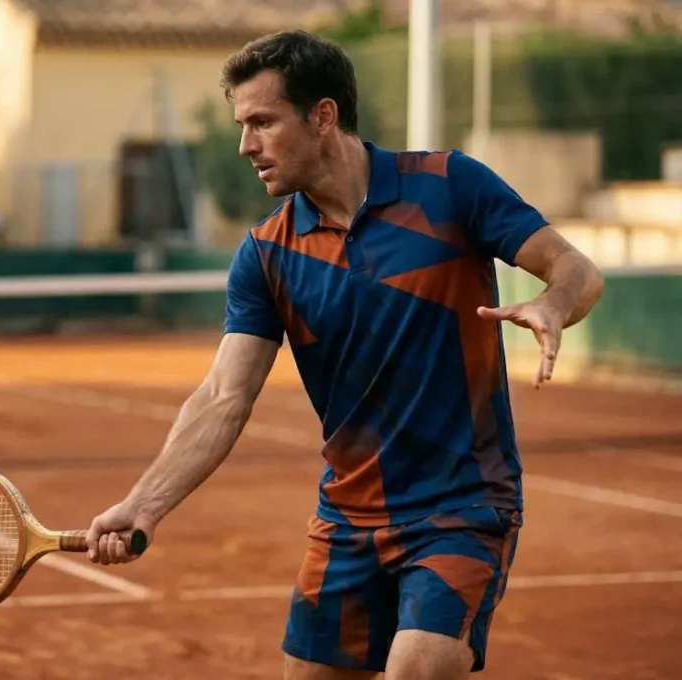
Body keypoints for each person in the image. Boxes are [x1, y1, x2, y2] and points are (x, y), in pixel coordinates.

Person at [84, 30, 604, 679]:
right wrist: (144, 504)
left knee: (417, 669)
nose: (246, 145)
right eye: (242, 125)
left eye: (262, 122)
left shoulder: (450, 186)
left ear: (323, 116)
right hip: (347, 520)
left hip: (462, 508)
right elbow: (224, 396)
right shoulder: (266, 255)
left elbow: (575, 269)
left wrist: (553, 306)